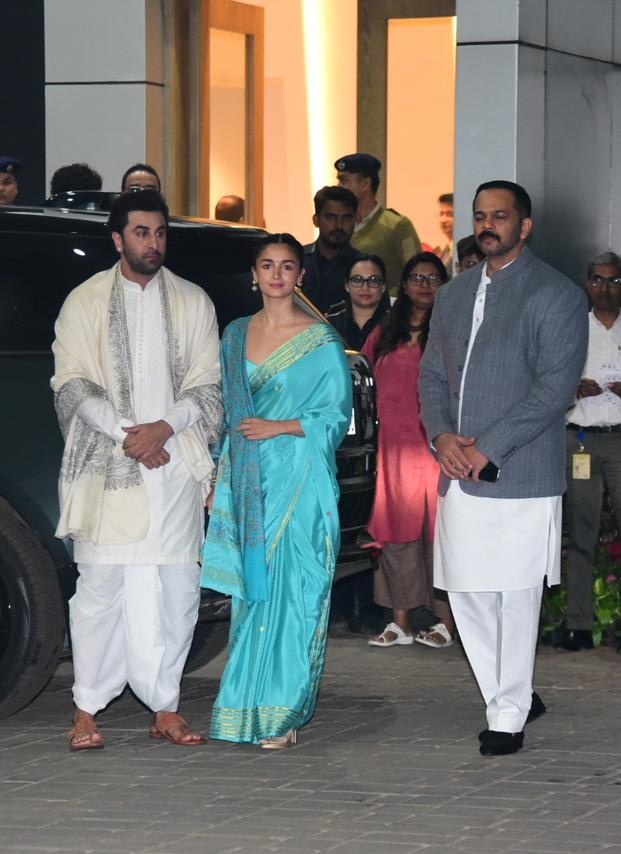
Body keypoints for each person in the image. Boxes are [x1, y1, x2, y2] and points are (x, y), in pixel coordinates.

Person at [419, 179, 588, 756]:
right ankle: (507, 693)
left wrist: (487, 448)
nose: (487, 224)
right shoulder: (454, 293)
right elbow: (432, 376)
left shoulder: (557, 294)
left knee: (515, 597)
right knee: (465, 590)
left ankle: (508, 713)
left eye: (500, 216)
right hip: (456, 468)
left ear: (525, 225)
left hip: (520, 473)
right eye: (480, 216)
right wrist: (441, 435)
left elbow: (554, 390)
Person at [51, 189, 222, 751]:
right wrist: (130, 434)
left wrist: (164, 428)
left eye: (160, 232)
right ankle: (85, 707)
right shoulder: (85, 299)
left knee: (175, 589)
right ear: (118, 238)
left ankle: (165, 707)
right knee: (101, 587)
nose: (154, 243)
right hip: (109, 466)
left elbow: (206, 383)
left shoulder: (194, 300)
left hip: (174, 466)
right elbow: (72, 382)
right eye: (142, 232)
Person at [201, 233, 352, 749]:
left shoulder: (322, 340)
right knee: (254, 594)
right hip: (247, 479)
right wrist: (218, 477)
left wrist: (279, 426)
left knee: (296, 592)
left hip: (300, 477)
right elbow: (226, 415)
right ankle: (243, 707)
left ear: (300, 275)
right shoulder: (235, 334)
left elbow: (335, 418)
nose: (277, 275)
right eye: (267, 265)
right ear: (254, 273)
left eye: (287, 266)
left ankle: (284, 714)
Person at [363, 252, 454, 649]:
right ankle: (399, 623)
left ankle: (445, 622)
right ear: (404, 285)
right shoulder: (382, 334)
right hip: (392, 451)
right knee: (396, 535)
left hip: (438, 448)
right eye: (417, 277)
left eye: (433, 278)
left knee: (442, 535)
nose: (424, 284)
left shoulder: (453, 334)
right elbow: (360, 388)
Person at [561, 251, 621, 651]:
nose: (605, 288)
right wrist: (573, 388)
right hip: (580, 437)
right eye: (598, 280)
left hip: (619, 438)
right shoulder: (572, 329)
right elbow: (547, 381)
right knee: (581, 534)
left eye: (613, 281)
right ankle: (578, 623)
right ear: (587, 284)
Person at [335, 154, 422, 295]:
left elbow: (417, 271)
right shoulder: (341, 226)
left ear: (365, 184)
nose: (339, 186)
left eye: (344, 181)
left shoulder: (397, 225)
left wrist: (390, 299)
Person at [302, 185, 362, 313]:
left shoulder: (364, 267)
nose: (339, 225)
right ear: (316, 220)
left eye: (346, 218)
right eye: (331, 217)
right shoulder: (296, 261)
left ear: (355, 220)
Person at [327, 254, 390, 351]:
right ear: (347, 286)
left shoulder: (395, 326)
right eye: (357, 280)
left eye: (373, 280)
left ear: (383, 287)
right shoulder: (330, 325)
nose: (365, 287)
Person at [433, 192, 454, 275]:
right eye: (441, 214)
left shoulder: (465, 249)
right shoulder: (446, 250)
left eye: (450, 214)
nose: (443, 220)